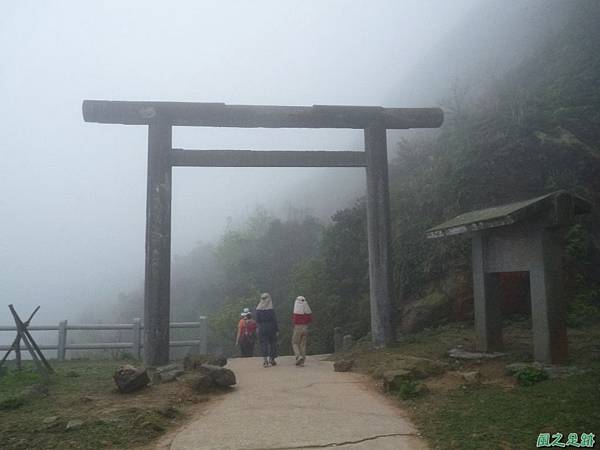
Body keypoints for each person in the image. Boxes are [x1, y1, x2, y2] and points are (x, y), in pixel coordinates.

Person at [255, 293, 279, 367]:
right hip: (271, 328)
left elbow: (257, 320)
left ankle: (265, 361)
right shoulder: (271, 309)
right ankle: (272, 359)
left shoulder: (258, 309)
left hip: (262, 328)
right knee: (273, 343)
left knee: (263, 344)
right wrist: (277, 330)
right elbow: (274, 320)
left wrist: (258, 328)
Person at [292, 295, 312, 366]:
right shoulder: (307, 308)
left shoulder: (297, 308)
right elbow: (310, 319)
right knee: (303, 344)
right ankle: (302, 362)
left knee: (295, 343)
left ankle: (298, 356)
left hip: (298, 327)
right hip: (305, 327)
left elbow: (294, 320)